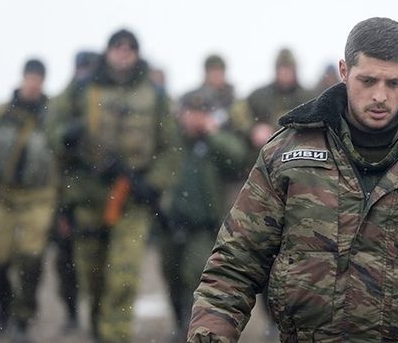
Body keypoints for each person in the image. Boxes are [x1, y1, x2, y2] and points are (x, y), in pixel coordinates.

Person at [187, 17, 398, 342]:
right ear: (344, 71)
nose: (380, 96)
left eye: (393, 83)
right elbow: (236, 263)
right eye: (367, 80)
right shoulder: (288, 155)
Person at [46, 29, 179, 343]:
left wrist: (153, 184)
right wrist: (67, 135)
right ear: (107, 52)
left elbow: (171, 148)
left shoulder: (154, 94)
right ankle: (99, 328)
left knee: (123, 276)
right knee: (92, 278)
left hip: (132, 199)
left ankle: (115, 336)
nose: (123, 53)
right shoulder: (82, 88)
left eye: (130, 48)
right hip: (89, 195)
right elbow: (52, 130)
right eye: (117, 47)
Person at [160, 88, 250, 338]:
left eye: (201, 112)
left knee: (194, 276)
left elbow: (238, 156)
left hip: (202, 226)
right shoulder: (172, 141)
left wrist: (213, 134)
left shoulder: (214, 142)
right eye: (191, 112)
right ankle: (180, 324)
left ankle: (191, 330)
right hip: (169, 223)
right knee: (171, 275)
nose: (195, 118)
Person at [0, 59, 57, 341]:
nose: (33, 83)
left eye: (38, 78)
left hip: (39, 196)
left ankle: (23, 316)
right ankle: (3, 306)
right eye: (30, 77)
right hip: (2, 195)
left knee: (31, 257)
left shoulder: (52, 117)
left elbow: (63, 155)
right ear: (23, 78)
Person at [52, 50, 100, 333]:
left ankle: (96, 317)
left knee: (93, 263)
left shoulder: (101, 100)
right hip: (64, 194)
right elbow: (53, 143)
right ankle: (72, 313)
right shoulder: (63, 102)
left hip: (94, 195)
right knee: (65, 261)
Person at [246, 47, 313, 149]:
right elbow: (240, 114)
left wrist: (275, 129)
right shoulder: (259, 95)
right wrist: (254, 129)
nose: (285, 73)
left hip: (297, 148)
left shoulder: (308, 97)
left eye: (288, 69)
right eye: (282, 68)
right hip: (261, 148)